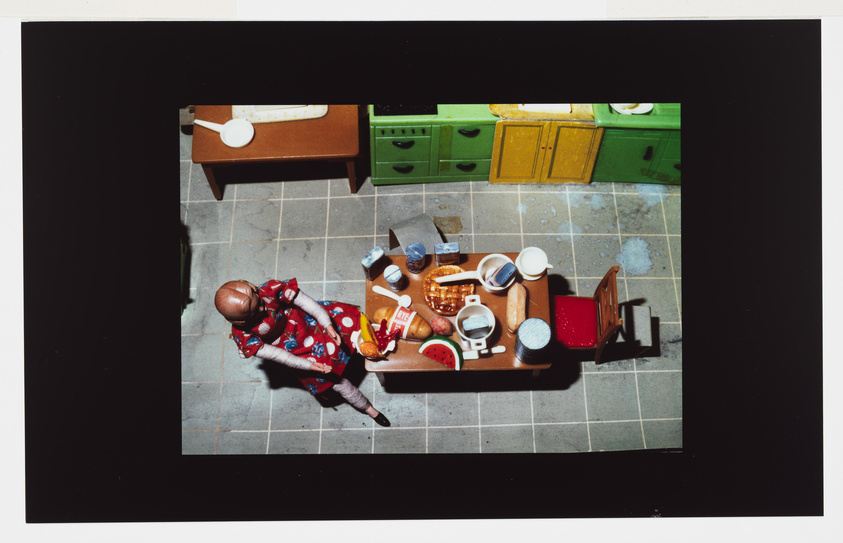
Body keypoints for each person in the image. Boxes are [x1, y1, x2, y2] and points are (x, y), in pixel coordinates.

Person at [213, 278, 390, 427]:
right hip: (294, 351)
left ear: (252, 287)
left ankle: (380, 353)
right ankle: (368, 408)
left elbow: (307, 303)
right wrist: (310, 366)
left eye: (259, 302)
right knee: (336, 382)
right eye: (253, 314)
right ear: (240, 321)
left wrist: (326, 323)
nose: (262, 310)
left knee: (357, 329)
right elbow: (280, 356)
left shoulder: (270, 290)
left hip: (306, 321)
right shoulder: (244, 336)